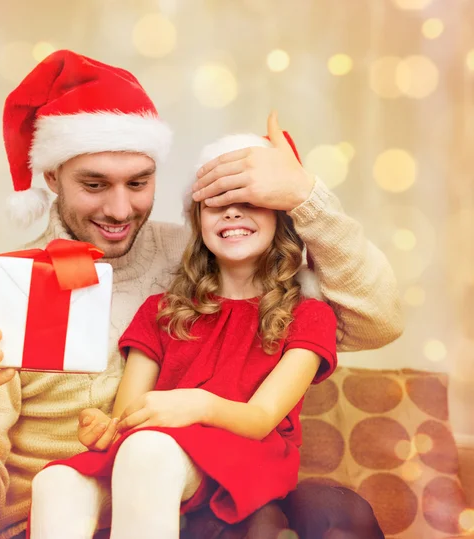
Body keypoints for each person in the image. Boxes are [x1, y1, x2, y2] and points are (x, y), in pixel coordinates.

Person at [0, 50, 400, 539]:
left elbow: (376, 320)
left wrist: (305, 197)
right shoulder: (2, 294)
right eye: (94, 184)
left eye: (138, 182)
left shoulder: (195, 261)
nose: (119, 208)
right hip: (58, 512)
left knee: (333, 513)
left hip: (189, 503)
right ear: (51, 176)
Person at [28, 132, 339, 539]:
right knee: (56, 482)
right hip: (156, 451)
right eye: (216, 204)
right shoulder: (163, 310)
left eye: (248, 203)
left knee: (147, 451)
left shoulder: (307, 315)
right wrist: (106, 426)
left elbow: (261, 419)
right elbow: (130, 415)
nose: (231, 214)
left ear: (281, 219)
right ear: (197, 220)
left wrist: (196, 405)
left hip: (245, 453)